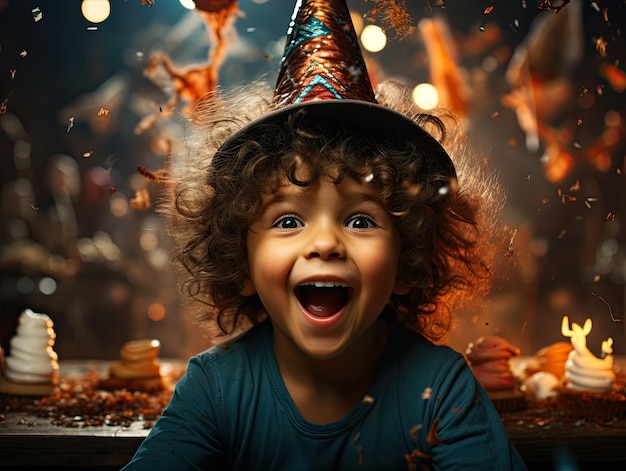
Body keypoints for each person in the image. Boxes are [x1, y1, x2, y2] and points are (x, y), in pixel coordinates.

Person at [123, 0, 526, 469]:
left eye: (360, 220)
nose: (326, 243)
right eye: (289, 220)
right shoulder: (216, 390)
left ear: (406, 261)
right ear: (241, 264)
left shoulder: (440, 389)